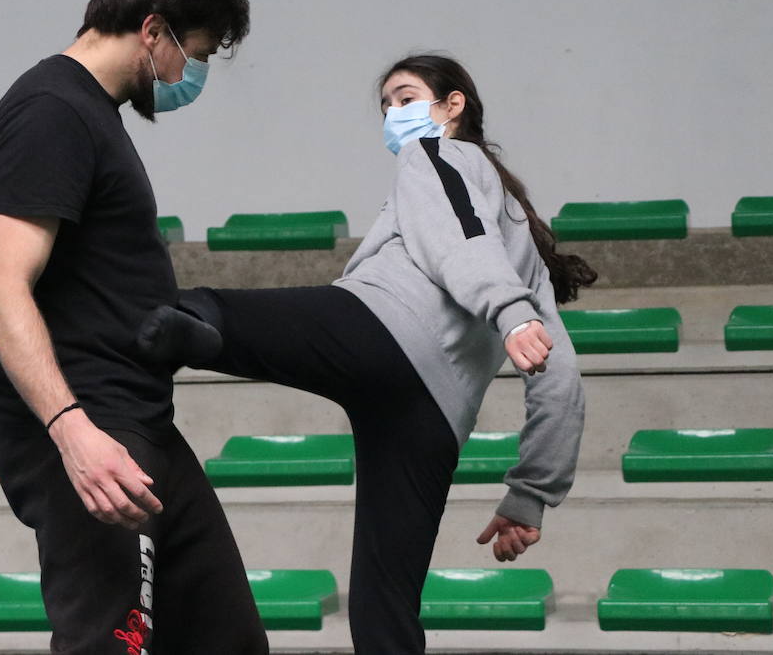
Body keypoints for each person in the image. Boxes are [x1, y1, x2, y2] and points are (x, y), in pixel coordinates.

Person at [137, 54, 595, 654]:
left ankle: (118, 338)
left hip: (381, 331)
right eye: (386, 106)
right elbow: (561, 381)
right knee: (385, 614)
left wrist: (507, 311)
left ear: (453, 105)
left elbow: (457, 236)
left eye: (406, 98)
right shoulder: (529, 252)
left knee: (203, 313)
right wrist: (530, 495)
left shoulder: (440, 155)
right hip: (432, 420)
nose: (394, 115)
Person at [0, 0, 269, 653]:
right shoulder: (51, 113)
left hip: (140, 427)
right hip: (93, 431)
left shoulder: (88, 114)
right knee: (111, 647)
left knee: (228, 641)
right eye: (192, 54)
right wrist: (74, 434)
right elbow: (1, 291)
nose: (189, 73)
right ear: (151, 29)